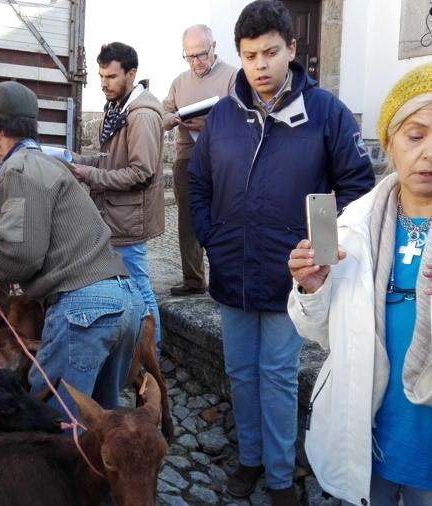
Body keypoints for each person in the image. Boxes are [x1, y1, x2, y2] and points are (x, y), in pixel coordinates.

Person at [187, 1, 375, 503]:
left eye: (271, 52)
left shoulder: (327, 114)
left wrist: (324, 252)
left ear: (292, 50)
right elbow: (198, 183)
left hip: (291, 278)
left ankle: (279, 474)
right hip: (232, 274)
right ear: (240, 57)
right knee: (239, 373)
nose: (261, 65)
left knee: (276, 376)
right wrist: (213, 238)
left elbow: (358, 187)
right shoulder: (223, 116)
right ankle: (249, 459)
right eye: (250, 55)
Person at [0, 81, 147, 418]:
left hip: (84, 307)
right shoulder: (46, 165)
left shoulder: (17, 169)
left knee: (54, 422)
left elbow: (20, 255)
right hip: (125, 301)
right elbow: (10, 219)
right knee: (99, 422)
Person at [288, 63, 432, 506]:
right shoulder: (355, 227)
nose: (429, 152)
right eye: (416, 135)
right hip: (374, 431)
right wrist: (311, 289)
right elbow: (320, 334)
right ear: (389, 143)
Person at [71, 41, 165, 351]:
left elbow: (142, 173)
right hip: (114, 214)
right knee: (128, 285)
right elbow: (109, 160)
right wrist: (77, 162)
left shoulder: (141, 116)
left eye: (111, 77)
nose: (103, 84)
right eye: (100, 76)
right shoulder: (118, 109)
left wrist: (91, 175)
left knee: (140, 286)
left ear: (131, 73)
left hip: (129, 219)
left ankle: (153, 355)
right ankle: (134, 349)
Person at [163, 24, 236, 297]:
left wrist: (206, 124)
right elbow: (163, 114)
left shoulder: (232, 77)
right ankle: (193, 279)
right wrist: (174, 118)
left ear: (214, 47)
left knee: (223, 219)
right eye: (190, 56)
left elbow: (243, 117)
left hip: (222, 158)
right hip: (187, 157)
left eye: (201, 55)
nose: (196, 62)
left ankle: (224, 279)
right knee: (187, 221)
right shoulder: (179, 81)